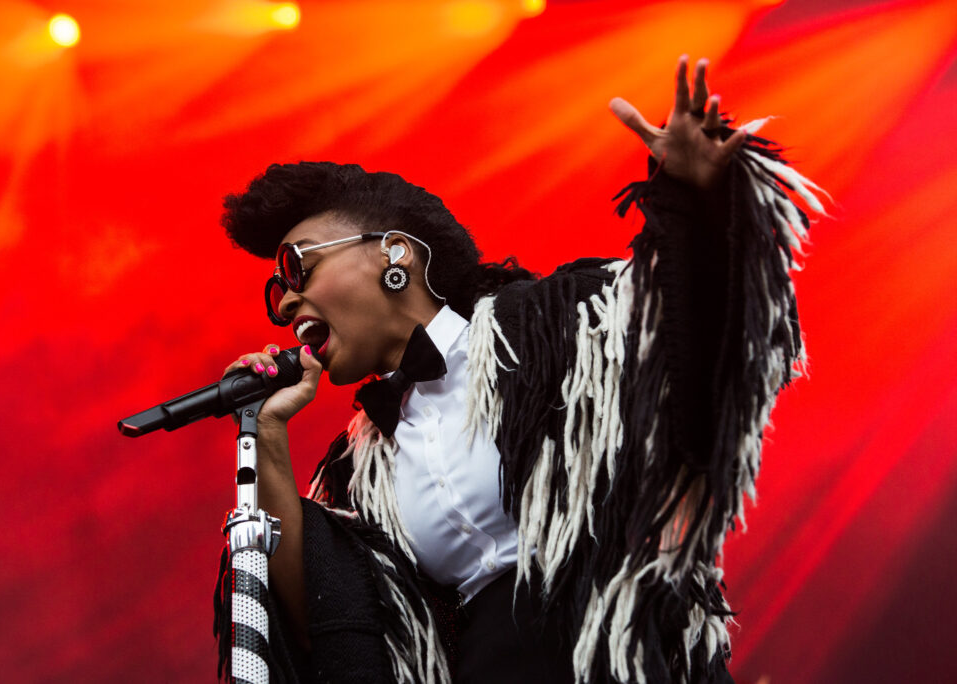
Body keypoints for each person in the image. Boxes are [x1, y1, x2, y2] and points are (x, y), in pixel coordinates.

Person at [214, 56, 823, 684]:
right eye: (274, 290)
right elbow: (329, 625)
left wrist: (696, 207)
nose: (284, 303)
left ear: (394, 253)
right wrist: (267, 434)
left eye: (296, 267)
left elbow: (706, 351)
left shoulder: (563, 329)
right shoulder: (359, 473)